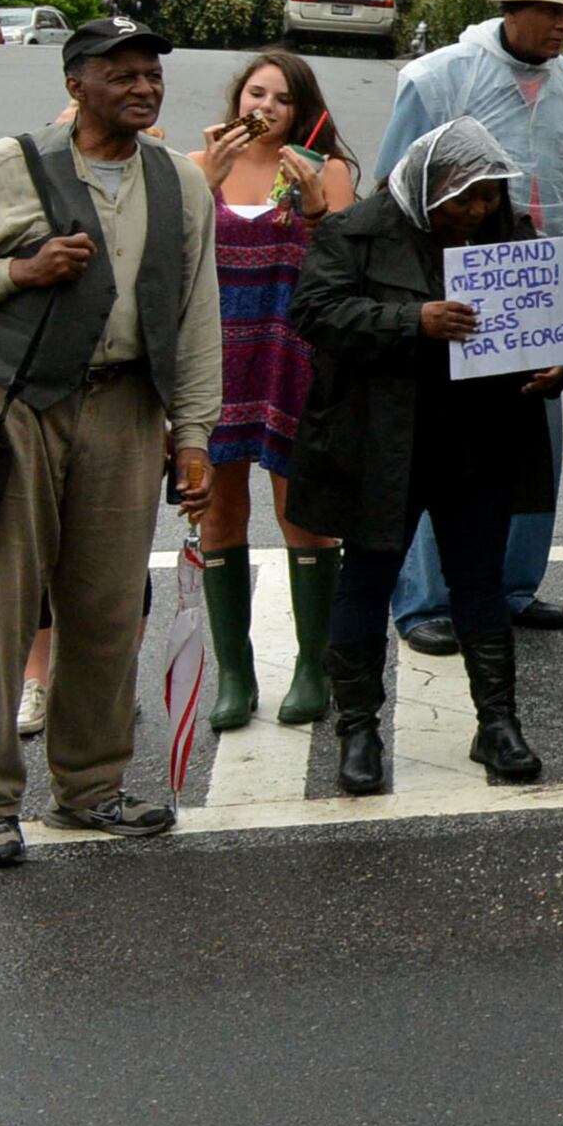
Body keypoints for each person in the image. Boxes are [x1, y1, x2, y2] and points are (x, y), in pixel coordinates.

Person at [0, 17, 218, 868]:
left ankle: (90, 786)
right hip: (17, 403)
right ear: (76, 85)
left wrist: (192, 436)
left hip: (123, 405)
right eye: (123, 74)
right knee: (4, 606)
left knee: (108, 605)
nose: (144, 87)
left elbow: (195, 319)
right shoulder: (13, 167)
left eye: (152, 74)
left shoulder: (180, 182)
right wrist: (16, 273)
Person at [284, 120, 563, 795]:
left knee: (479, 580)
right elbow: (316, 312)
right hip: (383, 441)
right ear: (424, 184)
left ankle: (497, 722)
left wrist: (553, 366)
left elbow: (540, 323)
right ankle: (358, 727)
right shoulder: (353, 231)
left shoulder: (509, 234)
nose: (474, 211)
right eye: (461, 197)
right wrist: (413, 320)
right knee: (368, 577)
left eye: (485, 197)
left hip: (479, 436)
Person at [372, 0, 563, 654]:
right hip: (453, 285)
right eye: (551, 11)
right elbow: (390, 184)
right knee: (445, 445)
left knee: (534, 442)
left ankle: (511, 586)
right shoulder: (443, 75)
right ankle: (425, 600)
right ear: (512, 11)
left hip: (537, 282)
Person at [190, 51, 358, 733]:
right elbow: (171, 251)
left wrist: (317, 210)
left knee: (305, 515)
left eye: (281, 98)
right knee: (219, 513)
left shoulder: (326, 168)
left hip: (296, 357)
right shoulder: (202, 167)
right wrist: (202, 183)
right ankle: (234, 672)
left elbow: (347, 266)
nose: (263, 105)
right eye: (254, 92)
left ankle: (313, 667)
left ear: (301, 110)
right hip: (217, 359)